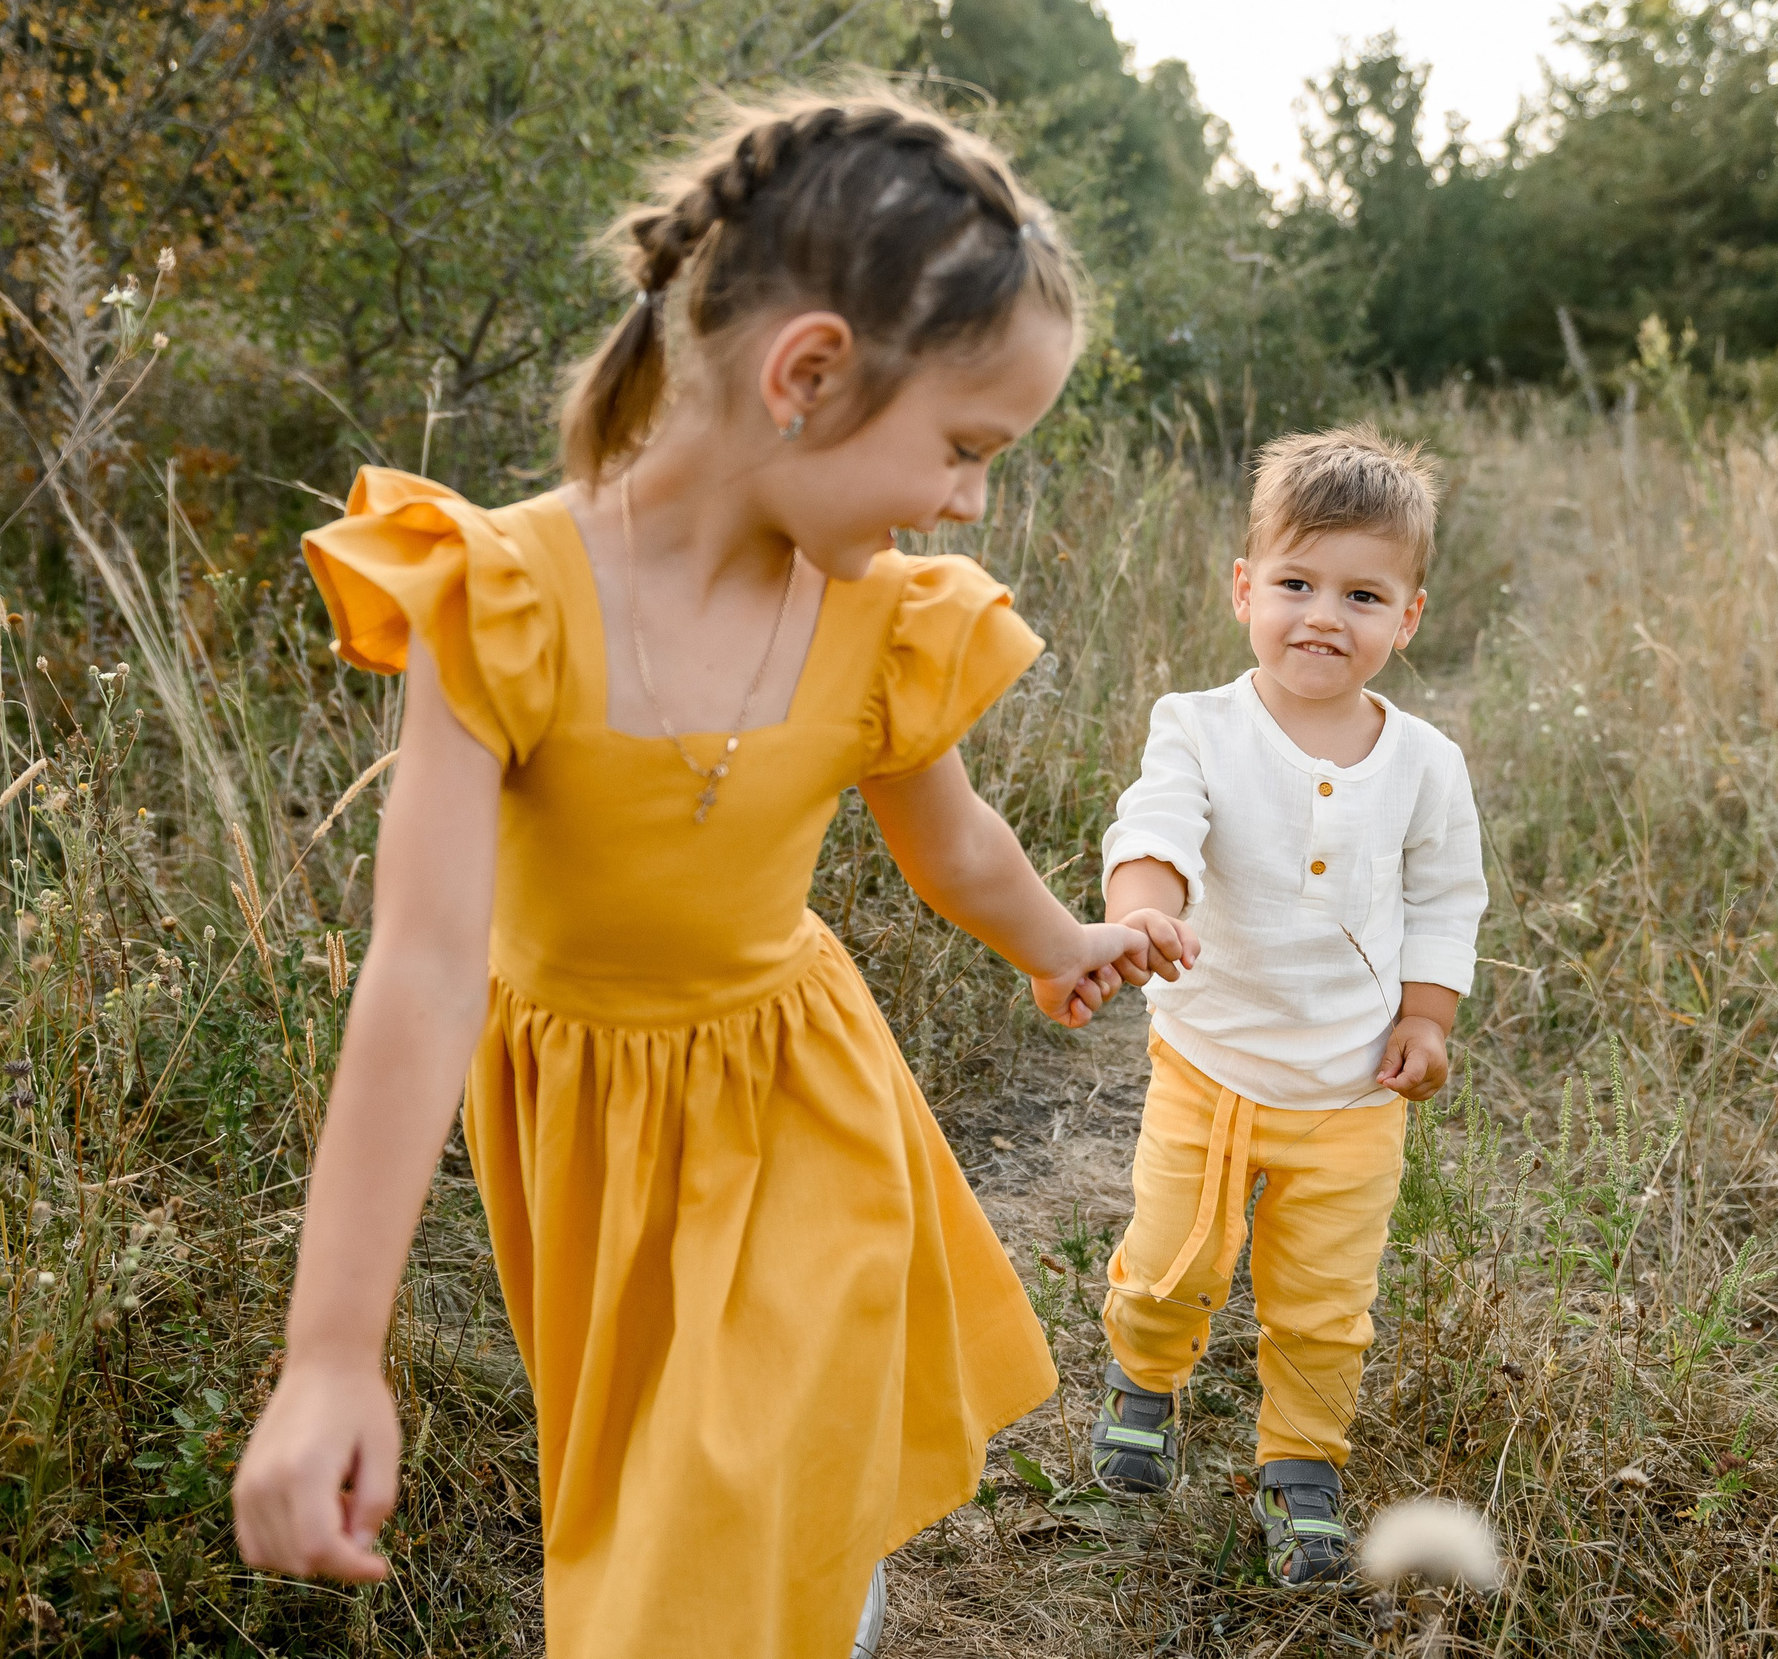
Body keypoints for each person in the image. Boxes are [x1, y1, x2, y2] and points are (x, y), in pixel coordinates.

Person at [233, 89, 1160, 1658]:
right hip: (589, 1137)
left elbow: (951, 836)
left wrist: (1057, 936)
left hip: (804, 1100)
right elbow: (425, 967)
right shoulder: (500, 599)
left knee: (732, 1492)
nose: (969, 502)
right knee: (677, 1481)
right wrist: (332, 1350)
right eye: (961, 448)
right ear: (807, 374)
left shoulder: (883, 615)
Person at [1087, 426, 1488, 1585]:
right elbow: (1153, 825)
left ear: (1406, 618)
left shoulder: (1424, 763)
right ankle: (1142, 1383)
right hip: (1211, 1062)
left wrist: (1425, 1018)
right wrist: (1144, 909)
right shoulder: (1198, 724)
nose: (1323, 615)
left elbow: (1444, 898)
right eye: (1297, 584)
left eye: (1362, 593)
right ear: (1243, 588)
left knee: (1326, 1299)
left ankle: (1301, 1464)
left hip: (1354, 1089)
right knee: (1174, 1258)